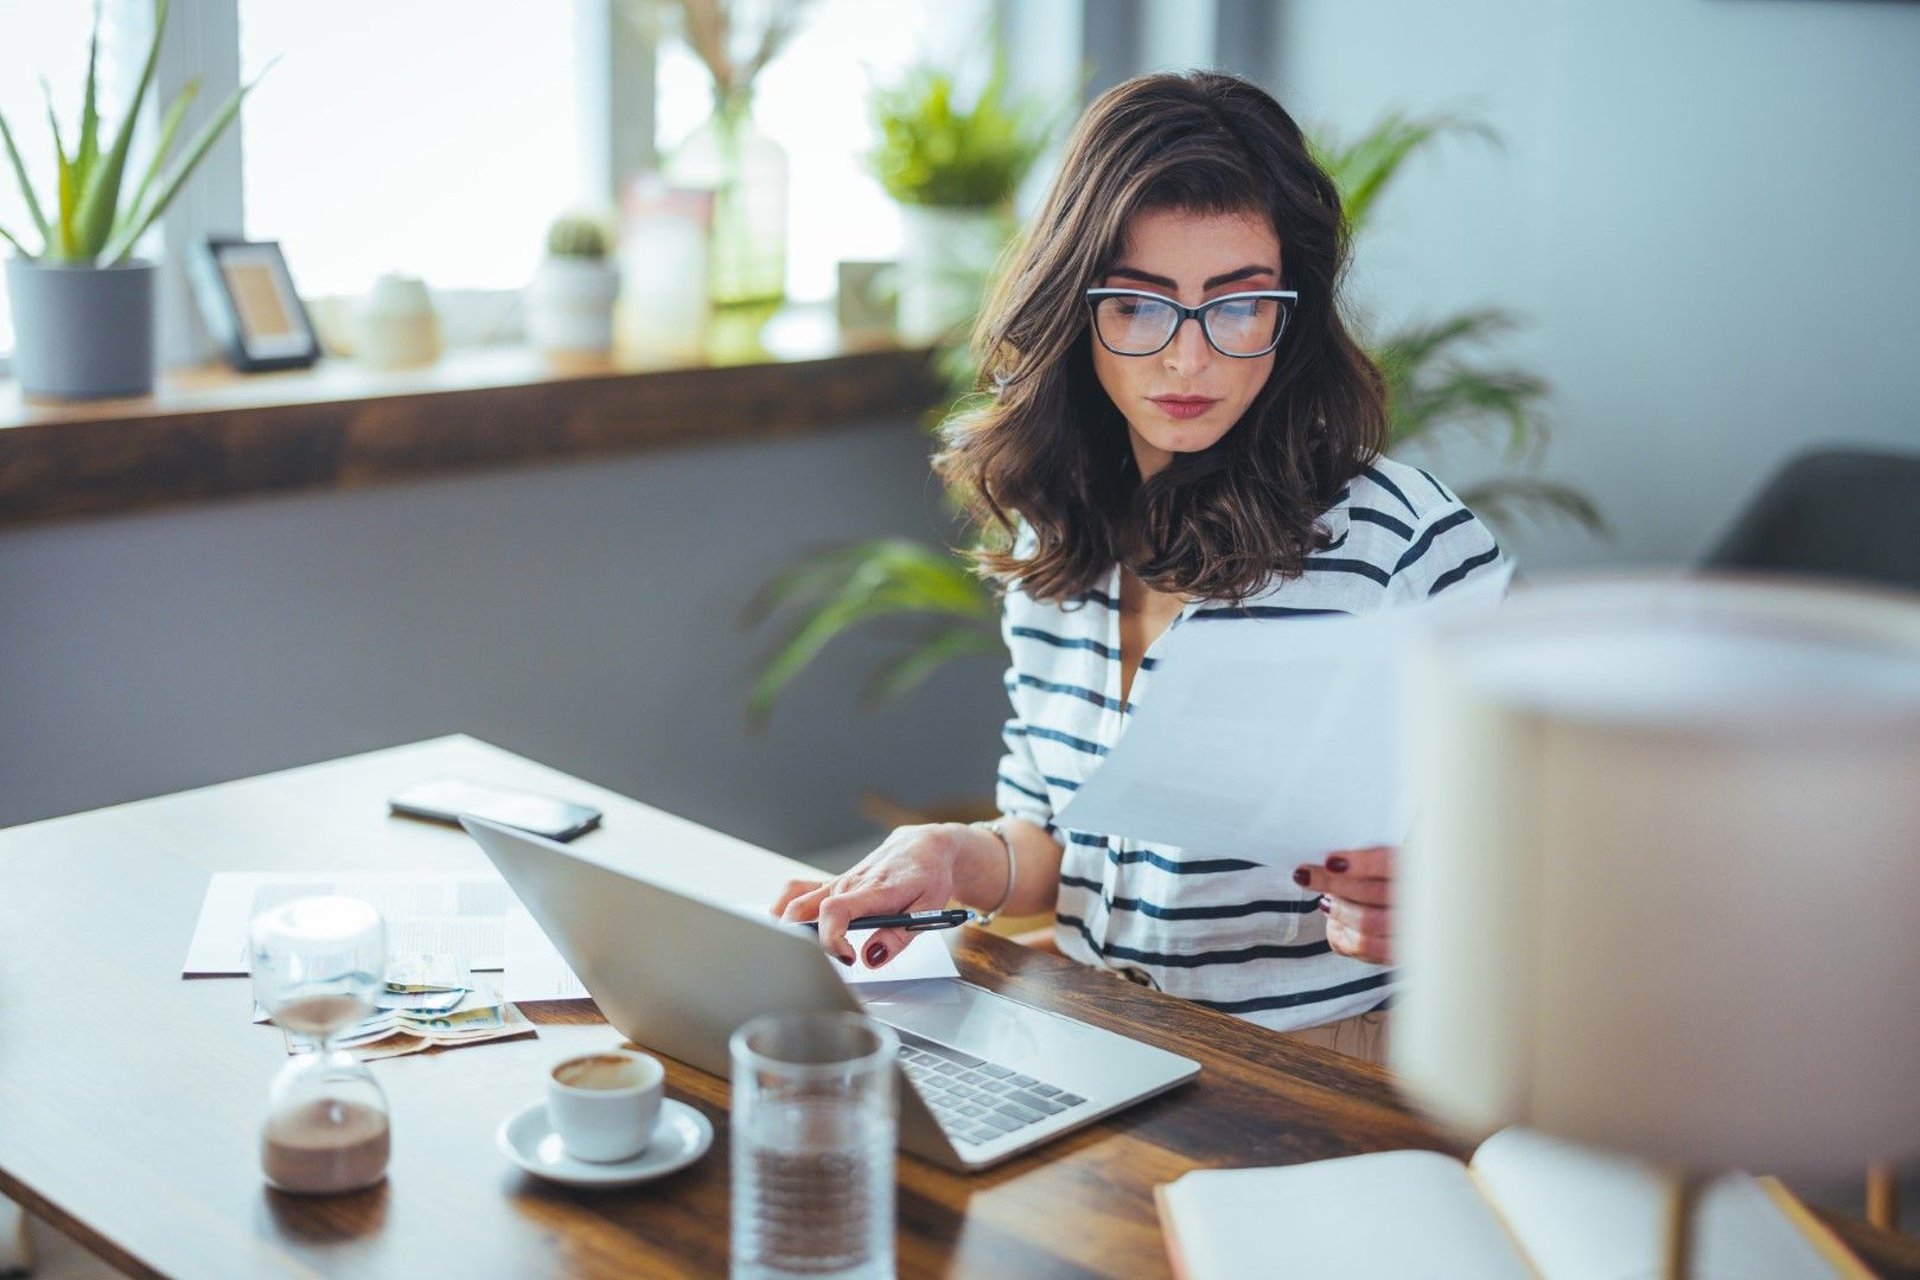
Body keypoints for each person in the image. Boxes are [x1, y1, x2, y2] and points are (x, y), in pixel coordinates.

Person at [770, 70, 1504, 1064]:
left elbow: (1557, 853)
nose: (1187, 360)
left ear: (1293, 311)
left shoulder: (1399, 543)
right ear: (1077, 307)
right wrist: (954, 855)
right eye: (1140, 305)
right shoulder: (1054, 527)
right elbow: (1058, 855)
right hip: (1102, 1038)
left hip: (1320, 1062)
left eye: (1238, 306)